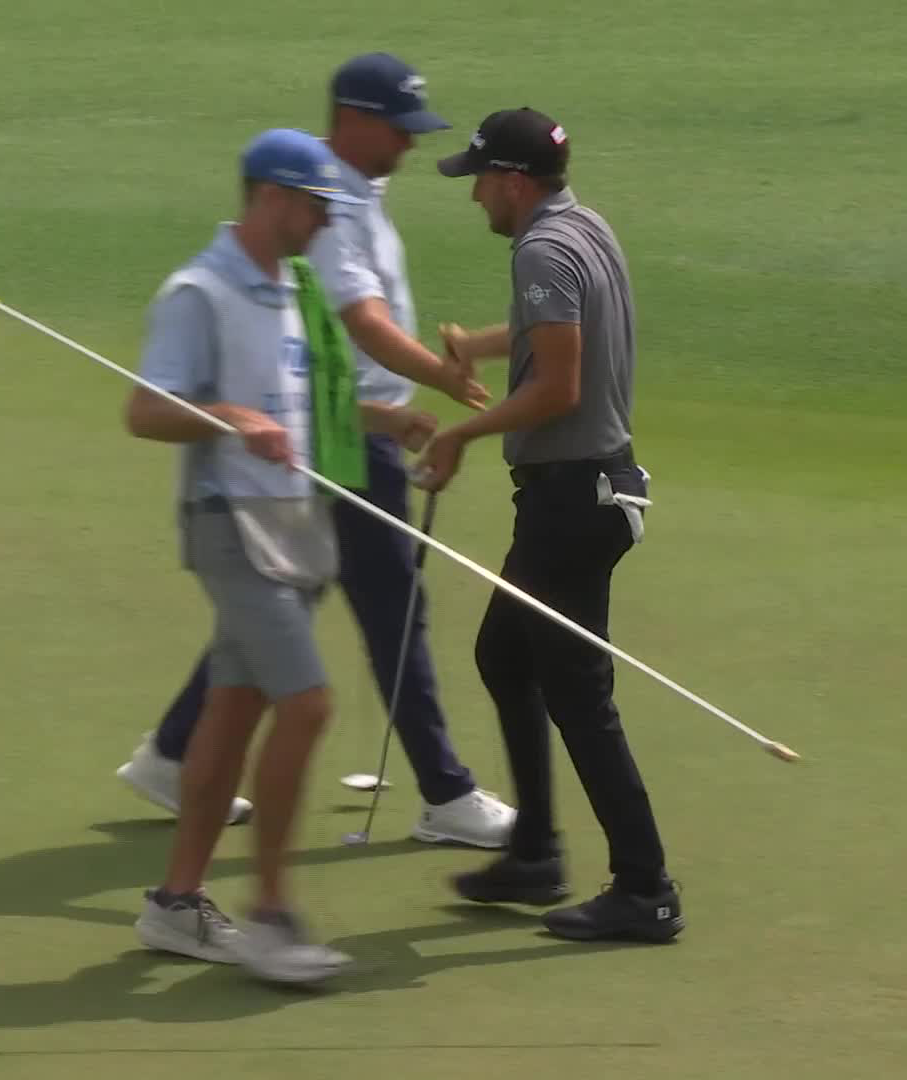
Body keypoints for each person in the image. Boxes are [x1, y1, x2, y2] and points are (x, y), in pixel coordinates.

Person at [115, 52, 516, 849]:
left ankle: (171, 754)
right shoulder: (316, 204)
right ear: (353, 120)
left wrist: (389, 413)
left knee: (287, 606)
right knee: (387, 607)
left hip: (347, 425)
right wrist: (435, 377)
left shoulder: (350, 197)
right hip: (332, 442)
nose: (409, 143)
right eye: (397, 128)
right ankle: (445, 792)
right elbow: (362, 321)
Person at [124, 127, 431, 982]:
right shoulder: (199, 292)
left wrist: (383, 419)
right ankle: (270, 918)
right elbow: (145, 411)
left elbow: (309, 400)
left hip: (294, 526)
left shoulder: (297, 289)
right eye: (314, 207)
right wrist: (230, 420)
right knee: (308, 704)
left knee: (233, 710)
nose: (325, 222)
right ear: (270, 197)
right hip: (230, 524)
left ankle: (176, 903)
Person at [417, 107, 684, 942]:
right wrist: (478, 344)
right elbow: (557, 335)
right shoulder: (584, 227)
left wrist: (459, 434)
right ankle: (535, 851)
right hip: (585, 489)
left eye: (480, 181)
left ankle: (646, 887)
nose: (475, 197)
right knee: (505, 656)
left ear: (512, 181)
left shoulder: (540, 250)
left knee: (579, 696)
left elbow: (559, 386)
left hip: (572, 498)